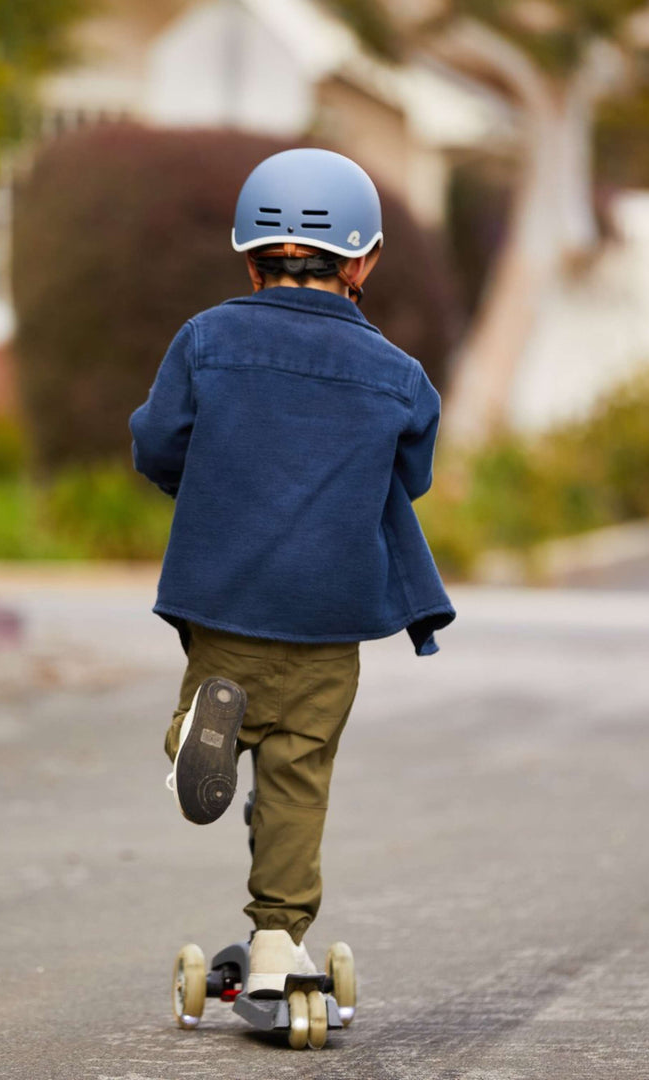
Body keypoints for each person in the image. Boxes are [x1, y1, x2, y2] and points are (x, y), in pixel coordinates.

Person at [130, 148, 454, 997]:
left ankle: (200, 732)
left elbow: (158, 442)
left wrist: (195, 477)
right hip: (329, 609)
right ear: (364, 260)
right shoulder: (399, 376)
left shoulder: (205, 340)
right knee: (298, 773)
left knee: (217, 702)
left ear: (248, 256)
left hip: (224, 593)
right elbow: (410, 476)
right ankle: (277, 940)